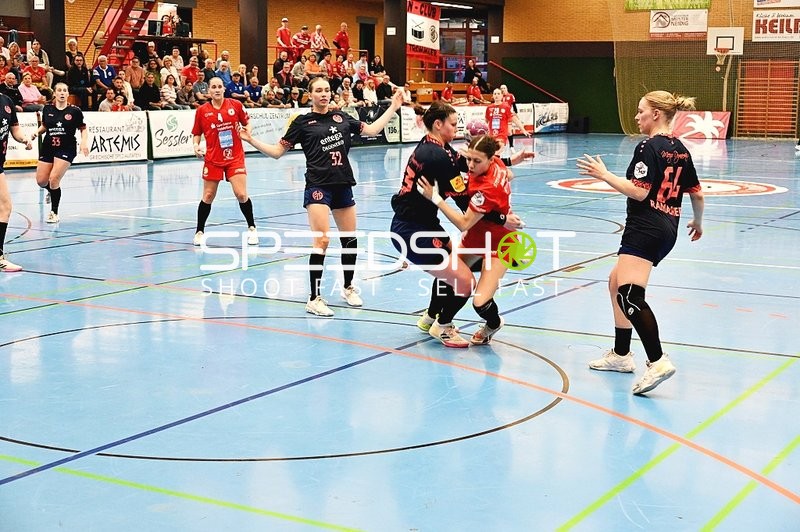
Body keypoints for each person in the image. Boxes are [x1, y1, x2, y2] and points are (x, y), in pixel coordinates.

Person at [240, 77, 405, 316]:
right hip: (318, 186)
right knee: (323, 242)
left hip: (343, 183)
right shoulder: (302, 122)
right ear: (311, 95)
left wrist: (392, 107)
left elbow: (371, 130)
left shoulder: (343, 117)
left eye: (327, 90)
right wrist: (251, 140)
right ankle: (314, 298)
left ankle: (348, 287)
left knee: (350, 239)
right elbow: (277, 152)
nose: (324, 94)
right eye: (318, 91)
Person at [576, 90, 705, 395]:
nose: (636, 117)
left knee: (630, 295)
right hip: (667, 227)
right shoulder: (681, 149)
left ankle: (657, 361)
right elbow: (697, 193)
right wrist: (698, 221)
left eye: (640, 112)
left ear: (656, 114)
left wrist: (604, 174)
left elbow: (639, 192)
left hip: (645, 226)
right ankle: (621, 355)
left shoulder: (648, 147)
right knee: (615, 281)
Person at [417, 134, 534, 344]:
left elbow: (463, 223)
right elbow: (508, 174)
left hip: (500, 244)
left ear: (490, 159)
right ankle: (433, 316)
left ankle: (493, 323)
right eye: (469, 159)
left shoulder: (486, 188)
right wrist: (511, 165)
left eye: (476, 161)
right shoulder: (495, 163)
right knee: (448, 273)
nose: (470, 165)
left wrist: (435, 198)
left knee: (480, 302)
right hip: (475, 238)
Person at [191, 77, 259, 247]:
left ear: (223, 89)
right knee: (208, 196)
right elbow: (197, 133)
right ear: (209, 91)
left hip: (234, 157)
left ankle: (252, 228)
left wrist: (247, 133)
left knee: (241, 194)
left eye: (219, 87)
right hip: (213, 158)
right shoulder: (202, 111)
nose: (217, 89)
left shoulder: (235, 105)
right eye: (213, 87)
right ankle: (199, 231)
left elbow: (247, 123)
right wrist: (195, 145)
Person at [32, 82, 90, 223]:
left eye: (65, 90)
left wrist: (83, 142)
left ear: (68, 94)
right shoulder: (47, 109)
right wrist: (36, 133)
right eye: (59, 90)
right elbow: (45, 126)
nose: (62, 93)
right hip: (48, 146)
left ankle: (54, 212)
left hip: (66, 147)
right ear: (55, 93)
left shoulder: (75, 111)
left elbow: (83, 128)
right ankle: (52, 191)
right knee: (41, 181)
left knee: (54, 179)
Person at [0, 91, 34, 271]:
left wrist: (24, 139)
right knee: (4, 206)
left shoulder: (6, 101)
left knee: (5, 207)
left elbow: (15, 129)